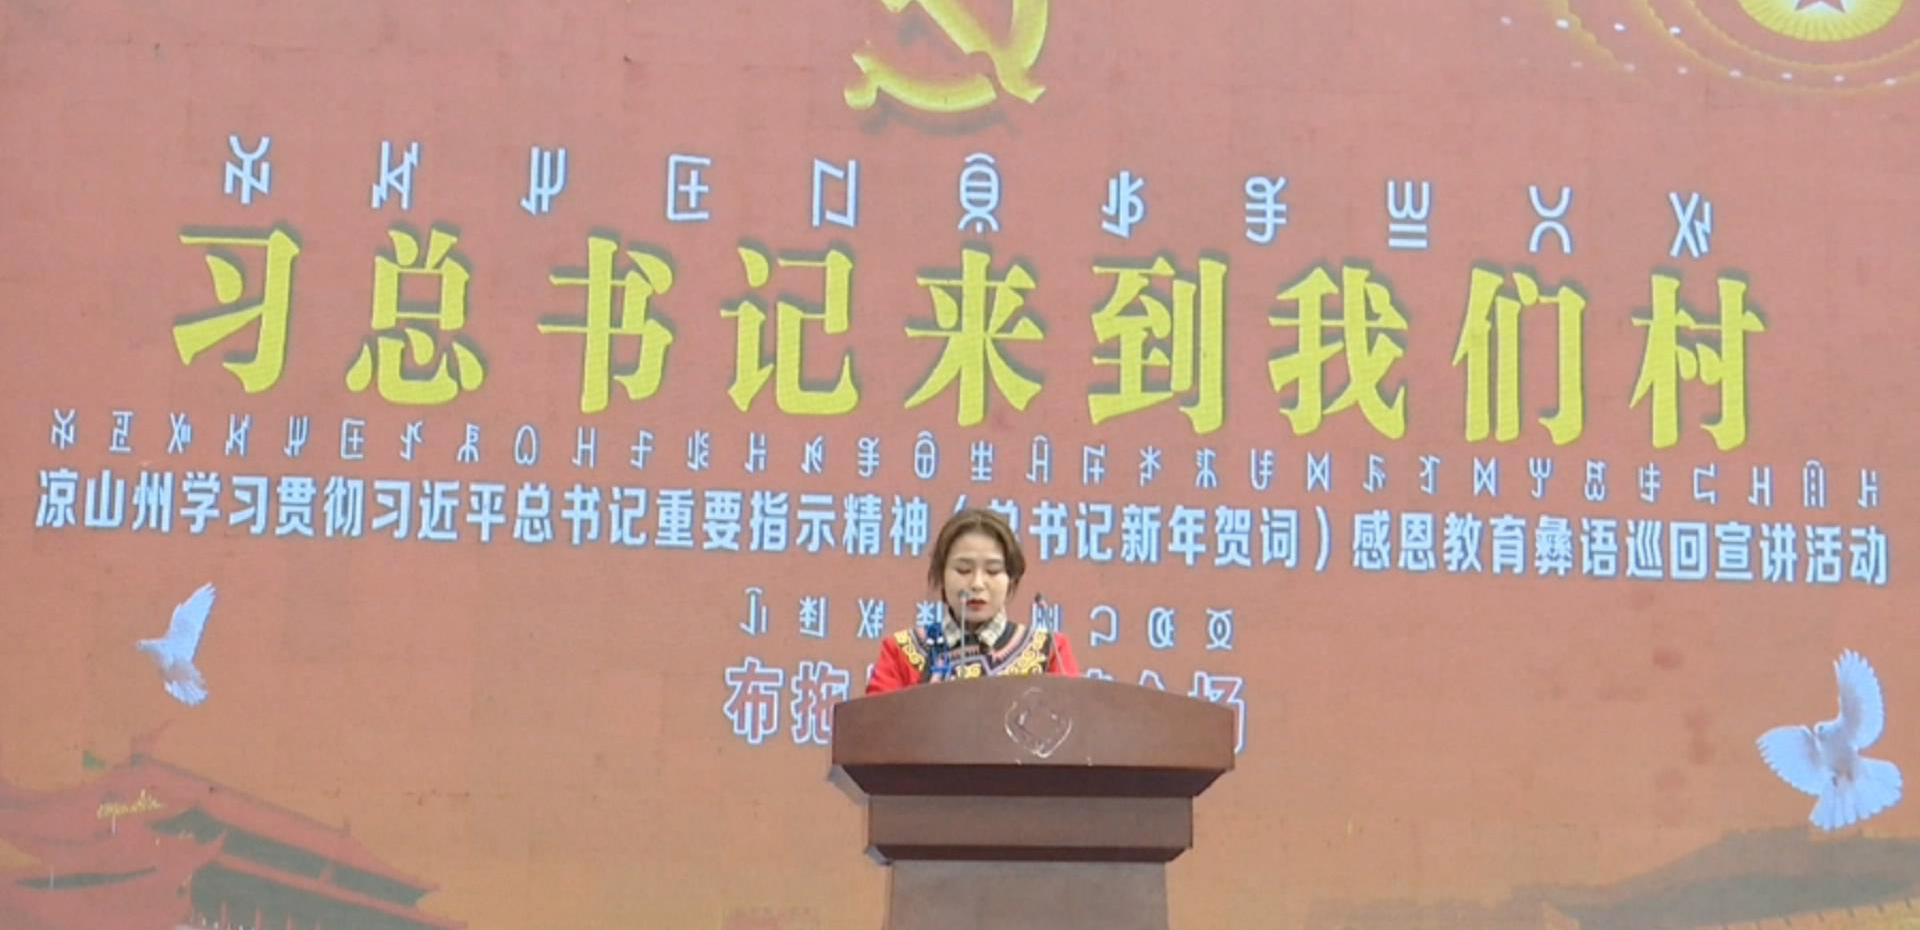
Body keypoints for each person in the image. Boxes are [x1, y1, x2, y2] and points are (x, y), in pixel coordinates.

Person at [865, 507, 1079, 694]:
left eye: (993, 571)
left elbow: (1076, 721)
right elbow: (874, 724)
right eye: (963, 570)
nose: (977, 584)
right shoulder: (900, 650)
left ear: (1011, 578)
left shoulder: (1049, 650)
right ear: (941, 575)